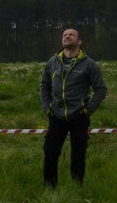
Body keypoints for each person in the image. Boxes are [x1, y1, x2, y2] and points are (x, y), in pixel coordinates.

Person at [39, 25, 107, 189]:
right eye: (64, 34)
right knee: (50, 153)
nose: (67, 36)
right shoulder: (53, 62)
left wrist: (87, 110)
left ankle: (77, 189)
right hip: (56, 115)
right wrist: (47, 108)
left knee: (78, 155)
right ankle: (50, 189)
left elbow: (101, 89)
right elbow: (44, 85)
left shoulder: (89, 64)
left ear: (79, 41)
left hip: (79, 117)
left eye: (71, 35)